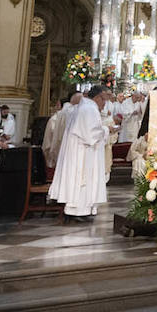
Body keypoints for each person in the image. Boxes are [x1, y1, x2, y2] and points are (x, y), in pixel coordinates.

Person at [48, 87, 111, 220]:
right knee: (82, 180)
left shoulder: (81, 107)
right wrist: (107, 129)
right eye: (104, 99)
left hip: (78, 151)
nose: (104, 103)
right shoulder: (89, 109)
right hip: (83, 154)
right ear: (98, 97)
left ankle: (77, 210)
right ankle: (80, 211)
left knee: (77, 181)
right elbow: (92, 134)